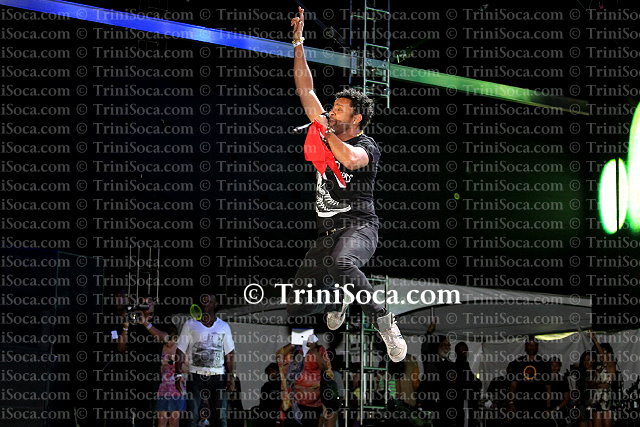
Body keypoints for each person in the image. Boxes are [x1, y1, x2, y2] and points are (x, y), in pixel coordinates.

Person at [286, 6, 406, 363]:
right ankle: (340, 296)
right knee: (297, 302)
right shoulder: (326, 125)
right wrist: (298, 42)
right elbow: (305, 88)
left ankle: (384, 322)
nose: (331, 111)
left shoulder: (367, 145)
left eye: (338, 109)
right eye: (332, 107)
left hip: (359, 227)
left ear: (356, 119)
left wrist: (325, 132)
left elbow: (351, 160)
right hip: (327, 233)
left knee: (342, 263)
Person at [175, 294, 236, 427]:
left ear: (215, 304)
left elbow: (230, 353)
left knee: (221, 417)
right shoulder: (190, 324)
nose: (205, 304)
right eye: (203, 302)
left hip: (217, 376)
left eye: (208, 302)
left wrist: (231, 376)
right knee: (192, 417)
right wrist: (178, 374)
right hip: (195, 375)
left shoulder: (223, 326)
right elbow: (180, 350)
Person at [276, 335, 333, 427]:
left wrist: (313, 350)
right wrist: (295, 341)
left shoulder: (319, 350)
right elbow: (279, 356)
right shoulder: (293, 350)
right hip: (293, 402)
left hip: (312, 404)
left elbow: (324, 367)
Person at [505, 336, 551, 426]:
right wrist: (511, 403)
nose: (531, 347)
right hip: (521, 405)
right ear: (525, 346)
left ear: (537, 346)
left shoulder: (544, 364)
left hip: (539, 406)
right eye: (529, 345)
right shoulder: (517, 363)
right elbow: (513, 386)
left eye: (534, 345)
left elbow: (548, 387)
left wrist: (548, 407)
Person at [156, 325, 187, 427]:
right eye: (166, 340)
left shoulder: (181, 349)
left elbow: (187, 369)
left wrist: (175, 362)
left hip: (177, 388)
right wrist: (162, 364)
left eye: (171, 339)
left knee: (174, 419)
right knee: (162, 419)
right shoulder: (160, 349)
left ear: (176, 337)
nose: (169, 343)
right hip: (162, 388)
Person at [589, 332, 619, 427]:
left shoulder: (611, 364)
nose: (602, 354)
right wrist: (597, 384)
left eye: (605, 352)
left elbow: (608, 384)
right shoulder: (597, 368)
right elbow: (591, 384)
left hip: (607, 398)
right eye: (600, 352)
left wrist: (595, 340)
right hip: (596, 398)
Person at [454, 342, 481, 427]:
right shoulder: (456, 366)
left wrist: (475, 382)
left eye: (466, 350)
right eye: (462, 350)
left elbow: (473, 379)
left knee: (469, 420)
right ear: (457, 352)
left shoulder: (466, 364)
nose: (465, 352)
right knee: (463, 420)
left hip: (469, 400)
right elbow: (462, 382)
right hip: (462, 400)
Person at [545, 356, 570, 424]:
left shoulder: (563, 380)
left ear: (559, 367)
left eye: (556, 365)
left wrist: (555, 409)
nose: (554, 367)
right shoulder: (544, 379)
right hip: (546, 412)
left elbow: (567, 399)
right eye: (552, 365)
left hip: (560, 411)